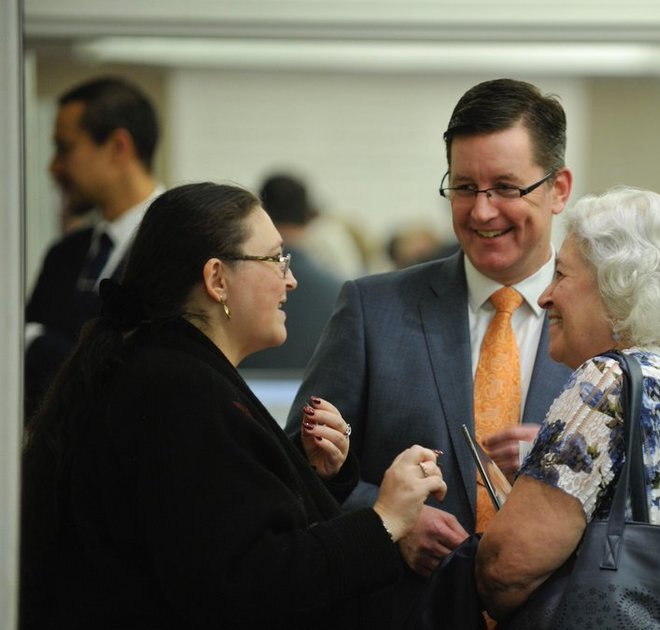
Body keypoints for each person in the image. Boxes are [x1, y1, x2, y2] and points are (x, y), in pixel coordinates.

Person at [20, 183, 447, 630]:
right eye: (275, 259)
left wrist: (308, 471)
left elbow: (223, 518)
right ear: (217, 279)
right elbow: (254, 581)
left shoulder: (169, 370)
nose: (291, 278)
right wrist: (385, 520)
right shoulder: (177, 391)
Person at [286, 78, 574, 626]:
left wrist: (572, 460)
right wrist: (385, 521)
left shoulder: (612, 325)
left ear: (558, 188)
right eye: (465, 187)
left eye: (507, 188)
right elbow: (293, 471)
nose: (483, 212)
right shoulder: (373, 310)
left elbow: (653, 495)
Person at [476, 187, 660, 628]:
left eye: (562, 276)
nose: (545, 297)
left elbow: (506, 566)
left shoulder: (608, 382)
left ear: (618, 284)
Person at [25, 76, 165, 421]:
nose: (54, 167)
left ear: (118, 146)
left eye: (65, 148)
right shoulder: (64, 254)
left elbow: (135, 380)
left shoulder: (180, 247)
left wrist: (38, 343)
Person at [239, 173, 344, 372]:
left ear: (263, 214)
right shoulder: (340, 292)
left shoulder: (237, 285)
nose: (289, 282)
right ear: (308, 217)